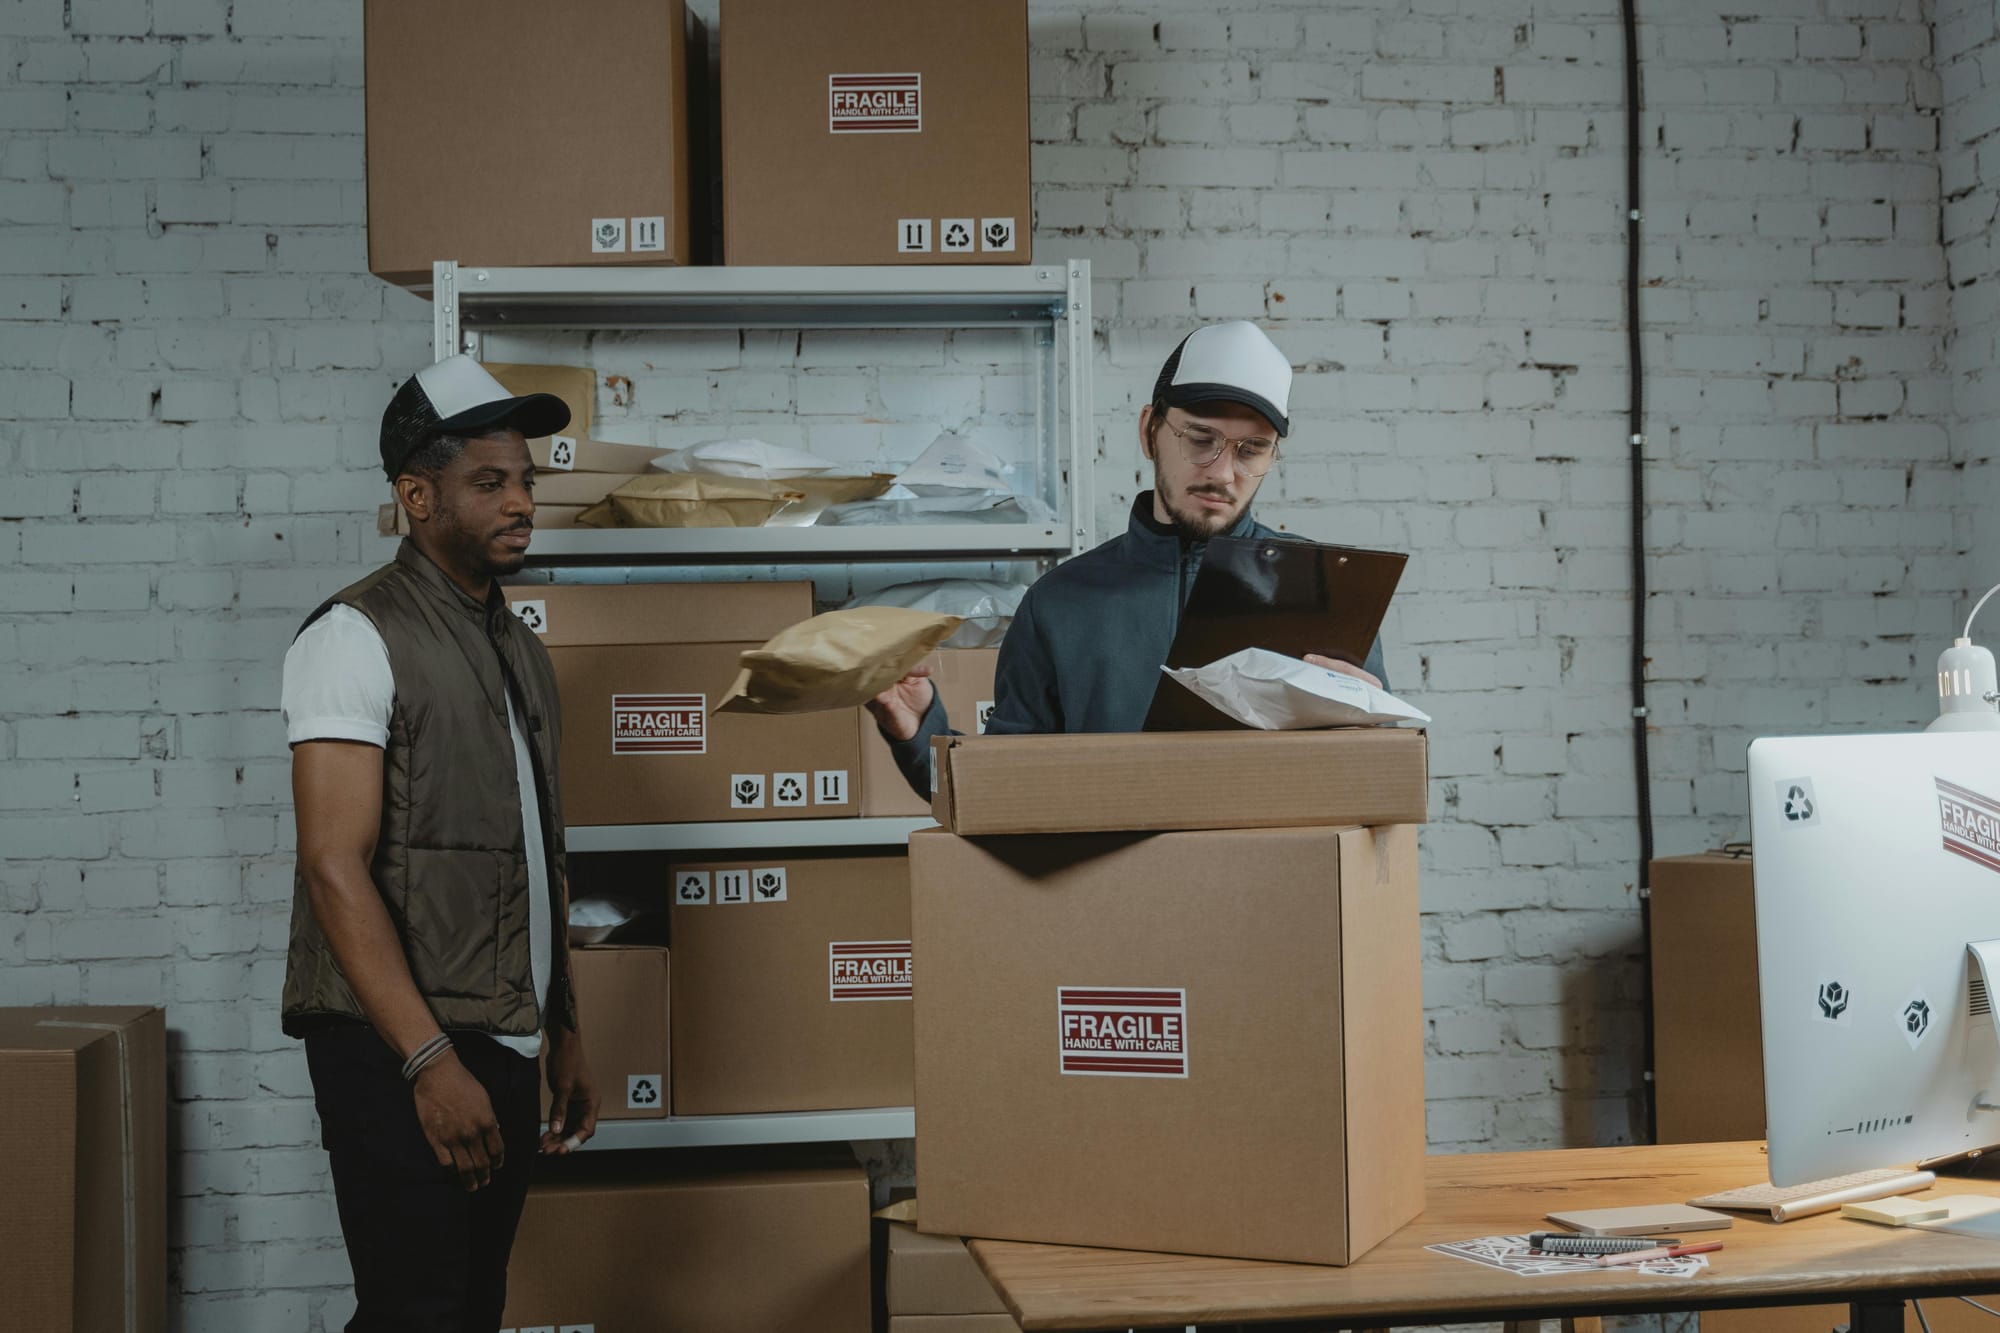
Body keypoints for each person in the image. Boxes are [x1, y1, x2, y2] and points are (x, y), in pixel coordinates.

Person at [279, 354, 598, 1332]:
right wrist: (425, 1060)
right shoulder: (353, 635)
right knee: (414, 1312)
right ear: (418, 494)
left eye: (527, 480)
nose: (521, 503)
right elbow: (333, 865)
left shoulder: (516, 646)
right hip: (397, 1048)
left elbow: (533, 855)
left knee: (466, 1312)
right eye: (489, 483)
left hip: (498, 1035)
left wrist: (562, 1023)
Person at [869, 321, 1388, 795]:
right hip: (1116, 896)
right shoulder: (1059, 603)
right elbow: (1006, 793)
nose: (1223, 473)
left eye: (1250, 450)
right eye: (1201, 439)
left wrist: (1368, 730)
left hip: (1268, 893)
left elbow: (1375, 792)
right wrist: (920, 728)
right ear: (1149, 431)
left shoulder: (1323, 591)